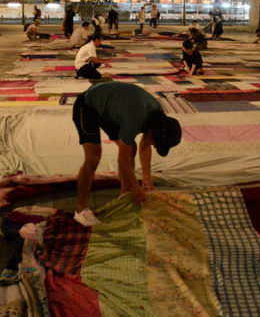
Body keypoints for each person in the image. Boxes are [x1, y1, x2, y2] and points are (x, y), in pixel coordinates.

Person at [72, 82, 182, 226]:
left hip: (112, 108)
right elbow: (122, 161)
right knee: (94, 156)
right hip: (88, 104)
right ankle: (81, 210)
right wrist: (136, 188)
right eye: (157, 143)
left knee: (131, 148)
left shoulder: (159, 118)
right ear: (151, 132)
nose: (155, 146)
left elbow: (145, 143)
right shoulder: (135, 116)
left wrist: (146, 176)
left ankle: (123, 197)